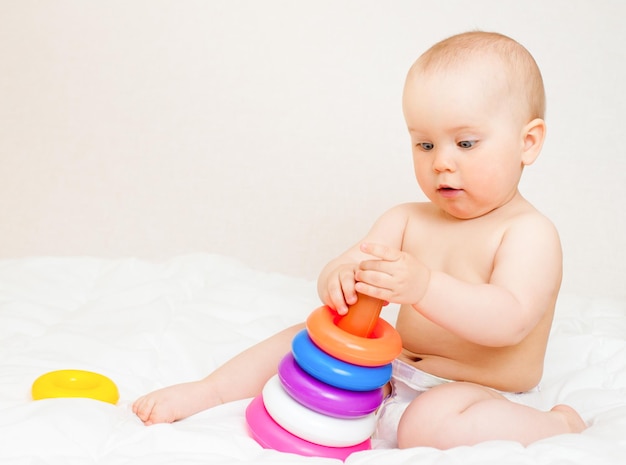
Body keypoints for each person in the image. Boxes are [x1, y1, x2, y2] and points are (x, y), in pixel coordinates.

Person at [133, 31, 586, 449]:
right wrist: (341, 280)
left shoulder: (529, 233)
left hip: (481, 389)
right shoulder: (407, 219)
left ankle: (558, 425)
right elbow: (346, 266)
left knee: (426, 425)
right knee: (303, 338)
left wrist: (423, 287)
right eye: (424, 145)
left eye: (465, 143)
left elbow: (509, 321)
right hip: (397, 365)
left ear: (528, 142)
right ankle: (210, 390)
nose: (442, 163)